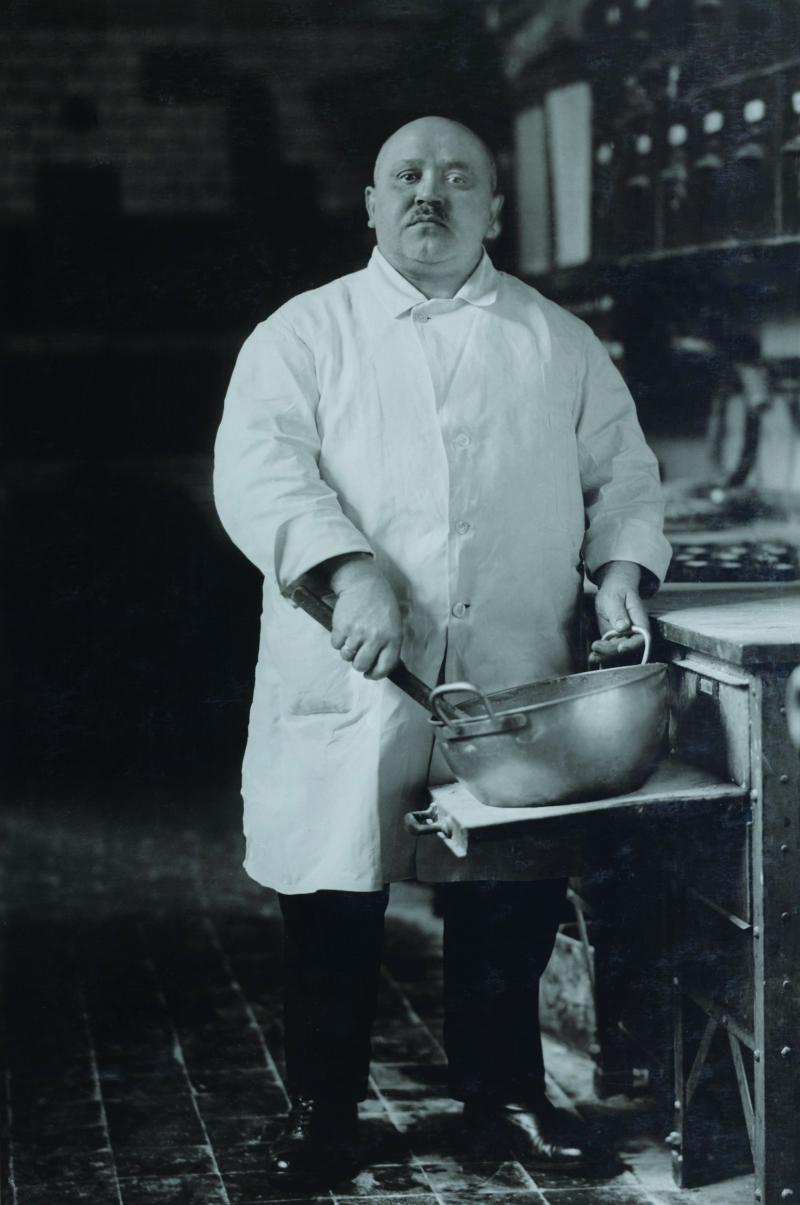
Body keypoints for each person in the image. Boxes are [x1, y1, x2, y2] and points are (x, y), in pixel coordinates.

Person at [214, 115, 671, 1190]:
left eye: (458, 177)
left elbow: (625, 478)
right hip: (355, 663)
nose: (431, 192)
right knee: (333, 895)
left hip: (511, 666)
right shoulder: (303, 333)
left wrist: (619, 572)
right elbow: (259, 472)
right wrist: (345, 569)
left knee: (503, 899)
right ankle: (324, 1110)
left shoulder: (553, 339)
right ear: (369, 204)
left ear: (493, 208)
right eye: (405, 176)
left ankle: (503, 1098)